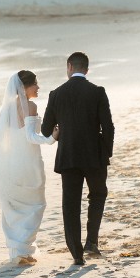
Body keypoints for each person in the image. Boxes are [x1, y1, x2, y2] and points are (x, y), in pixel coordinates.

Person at [40, 51, 114, 265]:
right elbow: (108, 126)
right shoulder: (98, 92)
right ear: (86, 69)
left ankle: (76, 253)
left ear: (69, 67)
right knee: (98, 195)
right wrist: (106, 153)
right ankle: (92, 242)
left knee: (70, 204)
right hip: (94, 156)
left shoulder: (56, 94)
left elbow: (46, 130)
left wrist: (60, 130)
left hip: (68, 156)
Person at [0, 69, 56, 266]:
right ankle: (22, 250)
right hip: (29, 163)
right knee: (36, 206)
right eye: (35, 84)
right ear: (25, 87)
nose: (38, 87)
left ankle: (18, 251)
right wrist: (52, 138)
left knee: (16, 207)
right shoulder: (30, 105)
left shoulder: (6, 110)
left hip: (11, 164)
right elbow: (31, 137)